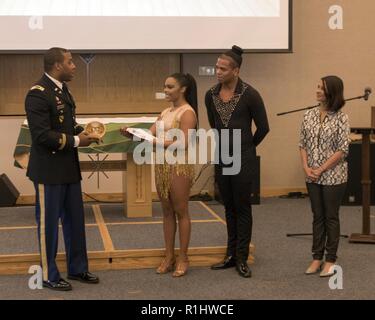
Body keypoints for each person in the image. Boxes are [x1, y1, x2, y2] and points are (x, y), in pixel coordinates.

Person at [25, 47, 100, 291]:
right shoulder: (38, 93)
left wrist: (82, 131)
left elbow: (66, 123)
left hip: (68, 168)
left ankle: (77, 268)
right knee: (48, 226)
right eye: (70, 62)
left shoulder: (61, 89)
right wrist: (78, 141)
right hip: (49, 170)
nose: (75, 65)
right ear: (57, 65)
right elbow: (42, 135)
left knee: (75, 222)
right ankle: (48, 274)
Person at [121, 73, 198, 277]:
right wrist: (133, 133)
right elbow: (150, 133)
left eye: (170, 87)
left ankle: (183, 257)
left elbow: (182, 143)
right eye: (164, 86)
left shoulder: (187, 112)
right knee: (166, 211)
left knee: (181, 210)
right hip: (162, 165)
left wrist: (153, 141)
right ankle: (169, 255)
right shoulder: (164, 111)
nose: (165, 90)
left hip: (179, 165)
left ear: (183, 89)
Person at [205, 45, 270, 278]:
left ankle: (242, 257)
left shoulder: (250, 94)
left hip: (243, 157)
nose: (218, 71)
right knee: (228, 206)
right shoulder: (210, 95)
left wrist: (247, 147)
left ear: (236, 71)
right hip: (222, 156)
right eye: (216, 67)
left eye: (223, 68)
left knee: (242, 207)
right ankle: (230, 254)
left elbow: (263, 128)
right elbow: (214, 126)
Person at [300, 76, 350, 277]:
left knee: (331, 217)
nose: (318, 90)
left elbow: (342, 150)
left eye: (322, 88)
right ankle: (316, 257)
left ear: (333, 92)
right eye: (318, 86)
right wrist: (306, 167)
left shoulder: (341, 117)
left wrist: (321, 169)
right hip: (311, 175)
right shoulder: (308, 114)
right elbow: (302, 144)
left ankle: (331, 259)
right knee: (317, 216)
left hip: (334, 176)